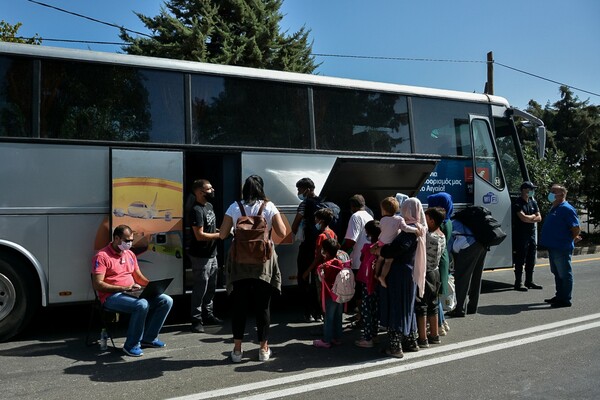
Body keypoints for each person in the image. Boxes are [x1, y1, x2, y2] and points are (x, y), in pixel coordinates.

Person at [219, 175, 287, 362]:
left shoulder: (234, 207)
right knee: (262, 306)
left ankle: (237, 350)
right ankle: (263, 349)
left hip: (240, 262)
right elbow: (282, 232)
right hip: (263, 262)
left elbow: (223, 233)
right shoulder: (269, 207)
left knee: (239, 306)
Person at [92, 225, 173, 357]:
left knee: (166, 300)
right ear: (116, 238)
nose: (129, 243)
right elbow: (98, 284)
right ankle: (131, 345)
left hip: (131, 292)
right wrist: (124, 288)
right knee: (141, 305)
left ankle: (149, 339)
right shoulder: (101, 256)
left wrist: (153, 287)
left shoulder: (130, 254)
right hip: (112, 296)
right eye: (127, 240)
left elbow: (138, 277)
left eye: (131, 240)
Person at [377, 198, 425, 358]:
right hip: (409, 272)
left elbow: (394, 251)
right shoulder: (419, 227)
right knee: (407, 307)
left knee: (396, 307)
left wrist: (380, 252)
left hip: (400, 273)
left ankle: (395, 347)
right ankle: (411, 341)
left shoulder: (409, 231)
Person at [188, 179, 222, 333]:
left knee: (211, 287)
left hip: (212, 254)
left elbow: (212, 228)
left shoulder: (209, 206)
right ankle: (196, 320)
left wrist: (223, 230)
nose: (212, 190)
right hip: (200, 256)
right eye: (209, 188)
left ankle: (208, 315)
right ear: (200, 192)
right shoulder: (196, 210)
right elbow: (200, 235)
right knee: (200, 288)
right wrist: (220, 235)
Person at [539, 184, 581, 308]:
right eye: (551, 191)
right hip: (553, 246)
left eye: (553, 192)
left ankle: (565, 299)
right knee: (557, 273)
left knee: (564, 273)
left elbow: (576, 228)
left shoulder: (567, 209)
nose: (550, 194)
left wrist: (570, 240)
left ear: (562, 194)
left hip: (561, 246)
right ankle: (559, 296)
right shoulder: (555, 207)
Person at [291, 177, 322, 322]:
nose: (299, 192)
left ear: (307, 189)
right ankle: (319, 312)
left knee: (303, 277)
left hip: (307, 246)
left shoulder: (304, 204)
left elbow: (295, 224)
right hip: (320, 246)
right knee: (318, 279)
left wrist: (297, 232)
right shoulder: (323, 202)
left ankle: (307, 312)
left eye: (299, 189)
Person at [415, 207, 446, 348]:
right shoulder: (441, 235)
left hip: (425, 273)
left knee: (422, 305)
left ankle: (422, 338)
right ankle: (434, 335)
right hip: (436, 272)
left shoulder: (429, 236)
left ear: (432, 221)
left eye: (425, 218)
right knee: (433, 304)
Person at [373, 196, 421, 288]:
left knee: (379, 260)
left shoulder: (382, 219)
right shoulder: (399, 219)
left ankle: (376, 274)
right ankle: (382, 277)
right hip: (389, 244)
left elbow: (382, 229)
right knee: (388, 262)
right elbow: (406, 228)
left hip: (381, 242)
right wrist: (415, 230)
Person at [447, 217, 487, 317]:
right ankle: (472, 307)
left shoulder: (449, 223)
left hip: (469, 246)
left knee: (462, 278)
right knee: (476, 277)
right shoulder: (461, 220)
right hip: (482, 243)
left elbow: (448, 245)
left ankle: (459, 309)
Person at [427, 192, 453, 336]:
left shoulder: (439, 223)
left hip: (436, 260)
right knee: (435, 295)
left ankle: (439, 324)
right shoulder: (447, 220)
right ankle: (442, 323)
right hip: (443, 258)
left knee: (433, 296)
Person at [313, 238, 346, 348]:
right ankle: (337, 338)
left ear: (325, 251)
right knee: (338, 316)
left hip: (329, 294)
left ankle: (326, 340)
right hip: (340, 293)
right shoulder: (341, 262)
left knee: (328, 317)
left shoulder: (325, 265)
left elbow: (321, 279)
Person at [512, 181, 543, 291]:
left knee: (531, 259)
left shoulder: (532, 202)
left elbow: (539, 218)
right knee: (520, 259)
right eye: (530, 189)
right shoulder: (517, 203)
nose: (532, 191)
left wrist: (529, 218)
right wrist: (532, 217)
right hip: (521, 235)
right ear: (524, 190)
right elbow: (522, 218)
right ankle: (518, 283)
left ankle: (529, 281)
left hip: (531, 234)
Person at [355, 219, 381, 348]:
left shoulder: (367, 248)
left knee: (367, 310)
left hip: (367, 281)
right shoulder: (381, 247)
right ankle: (374, 335)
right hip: (377, 282)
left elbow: (361, 259)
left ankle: (367, 338)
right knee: (375, 310)